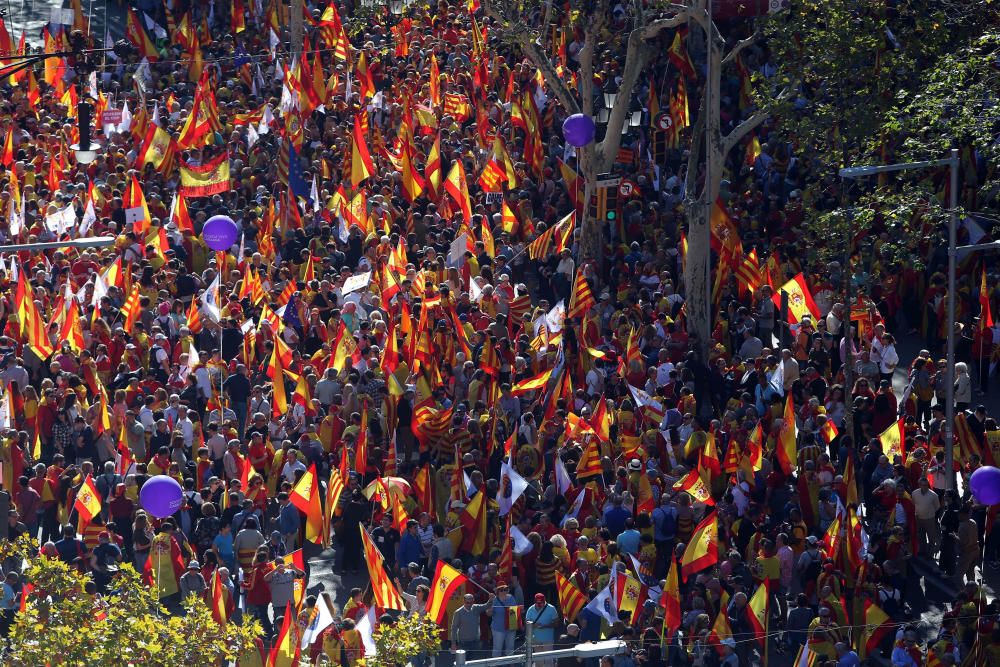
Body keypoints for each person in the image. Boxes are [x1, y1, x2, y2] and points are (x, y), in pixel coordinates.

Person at [451, 592, 493, 657]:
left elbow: (486, 606)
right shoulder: (458, 612)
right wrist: (453, 643)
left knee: (475, 661)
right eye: (467, 603)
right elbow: (454, 629)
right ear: (464, 601)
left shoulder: (476, 608)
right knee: (463, 662)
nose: (469, 604)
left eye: (471, 603)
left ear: (473, 601)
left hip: (475, 641)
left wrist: (490, 599)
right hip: (463, 643)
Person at [525, 593, 560, 666]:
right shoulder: (530, 609)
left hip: (548, 639)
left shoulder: (551, 608)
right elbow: (527, 624)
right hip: (536, 639)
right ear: (535, 602)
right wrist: (533, 625)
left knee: (548, 661)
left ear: (544, 601)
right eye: (538, 603)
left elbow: (556, 623)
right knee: (538, 661)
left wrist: (545, 626)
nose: (540, 605)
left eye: (541, 603)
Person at [488, 582, 519, 657]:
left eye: (506, 589)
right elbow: (489, 614)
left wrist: (514, 625)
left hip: (510, 628)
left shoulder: (511, 598)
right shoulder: (494, 600)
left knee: (510, 648)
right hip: (498, 629)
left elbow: (514, 612)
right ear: (497, 591)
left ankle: (510, 664)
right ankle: (495, 665)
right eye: (501, 590)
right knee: (497, 649)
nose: (504, 591)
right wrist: (491, 602)